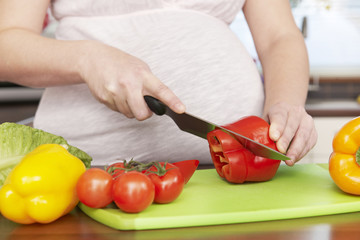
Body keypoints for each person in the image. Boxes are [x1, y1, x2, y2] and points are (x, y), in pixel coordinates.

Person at [0, 0, 317, 166]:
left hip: (240, 171)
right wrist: (87, 59)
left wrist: (287, 103)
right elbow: (6, 43)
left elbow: (280, 36)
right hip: (81, 174)